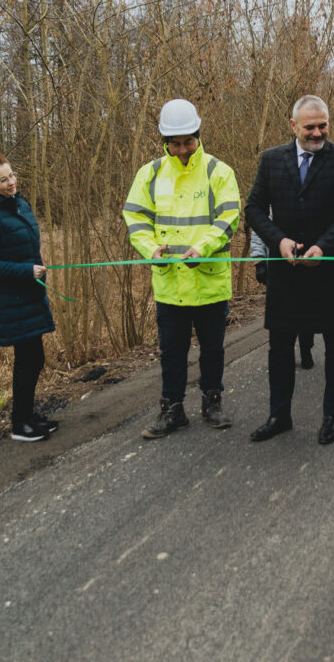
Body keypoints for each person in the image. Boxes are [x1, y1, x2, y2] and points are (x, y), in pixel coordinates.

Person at [244, 95, 334, 445]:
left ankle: (332, 417)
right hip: (286, 270)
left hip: (330, 270)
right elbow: (253, 208)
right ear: (293, 125)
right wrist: (277, 241)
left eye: (322, 125)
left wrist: (325, 247)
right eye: (309, 127)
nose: (317, 132)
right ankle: (279, 415)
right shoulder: (270, 160)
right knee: (280, 346)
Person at [122, 99, 240, 439]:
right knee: (171, 350)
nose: (182, 149)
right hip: (170, 282)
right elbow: (135, 218)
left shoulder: (219, 171)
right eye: (175, 143)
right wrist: (150, 249)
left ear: (198, 135)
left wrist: (201, 249)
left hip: (208, 279)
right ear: (164, 141)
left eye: (188, 141)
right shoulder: (151, 173)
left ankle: (212, 401)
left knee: (212, 348)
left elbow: (228, 218)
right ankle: (172, 409)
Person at [0, 151, 57, 442]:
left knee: (34, 357)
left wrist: (36, 270)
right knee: (28, 358)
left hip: (29, 291)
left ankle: (28, 416)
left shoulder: (17, 205)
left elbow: (26, 245)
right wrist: (24, 271)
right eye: (2, 180)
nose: (11, 183)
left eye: (12, 175)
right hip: (11, 298)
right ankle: (20, 425)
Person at [249, 213, 315, 369]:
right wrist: (259, 260)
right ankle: (285, 353)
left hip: (304, 262)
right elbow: (258, 231)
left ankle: (306, 348)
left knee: (306, 309)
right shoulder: (268, 203)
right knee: (283, 312)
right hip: (276, 267)